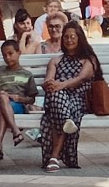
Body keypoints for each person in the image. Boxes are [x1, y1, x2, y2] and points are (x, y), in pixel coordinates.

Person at [40, 21, 98, 171]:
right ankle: (66, 121)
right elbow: (48, 79)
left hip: (79, 99)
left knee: (55, 105)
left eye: (72, 37)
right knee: (56, 97)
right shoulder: (55, 60)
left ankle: (54, 156)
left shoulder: (89, 60)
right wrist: (49, 84)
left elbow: (80, 79)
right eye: (65, 37)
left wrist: (60, 85)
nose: (69, 40)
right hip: (57, 99)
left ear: (79, 38)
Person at [0, 39, 36, 161]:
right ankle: (16, 131)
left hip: (17, 106)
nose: (7, 57)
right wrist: (0, 95)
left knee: (4, 109)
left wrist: (20, 98)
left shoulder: (27, 74)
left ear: (19, 52)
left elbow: (31, 99)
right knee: (2, 98)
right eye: (4, 55)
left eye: (10, 53)